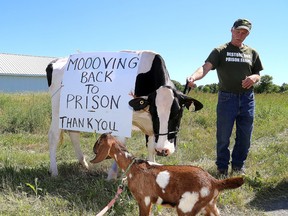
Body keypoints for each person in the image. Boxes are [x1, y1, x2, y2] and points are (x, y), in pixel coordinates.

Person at [187, 18, 263, 176]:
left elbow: (257, 74)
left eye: (244, 33)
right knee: (223, 135)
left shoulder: (252, 53)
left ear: (248, 34)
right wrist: (193, 77)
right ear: (231, 30)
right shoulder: (220, 51)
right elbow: (206, 67)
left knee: (245, 136)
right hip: (227, 98)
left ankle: (238, 166)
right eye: (238, 31)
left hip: (247, 99)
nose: (240, 35)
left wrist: (254, 78)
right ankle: (222, 167)